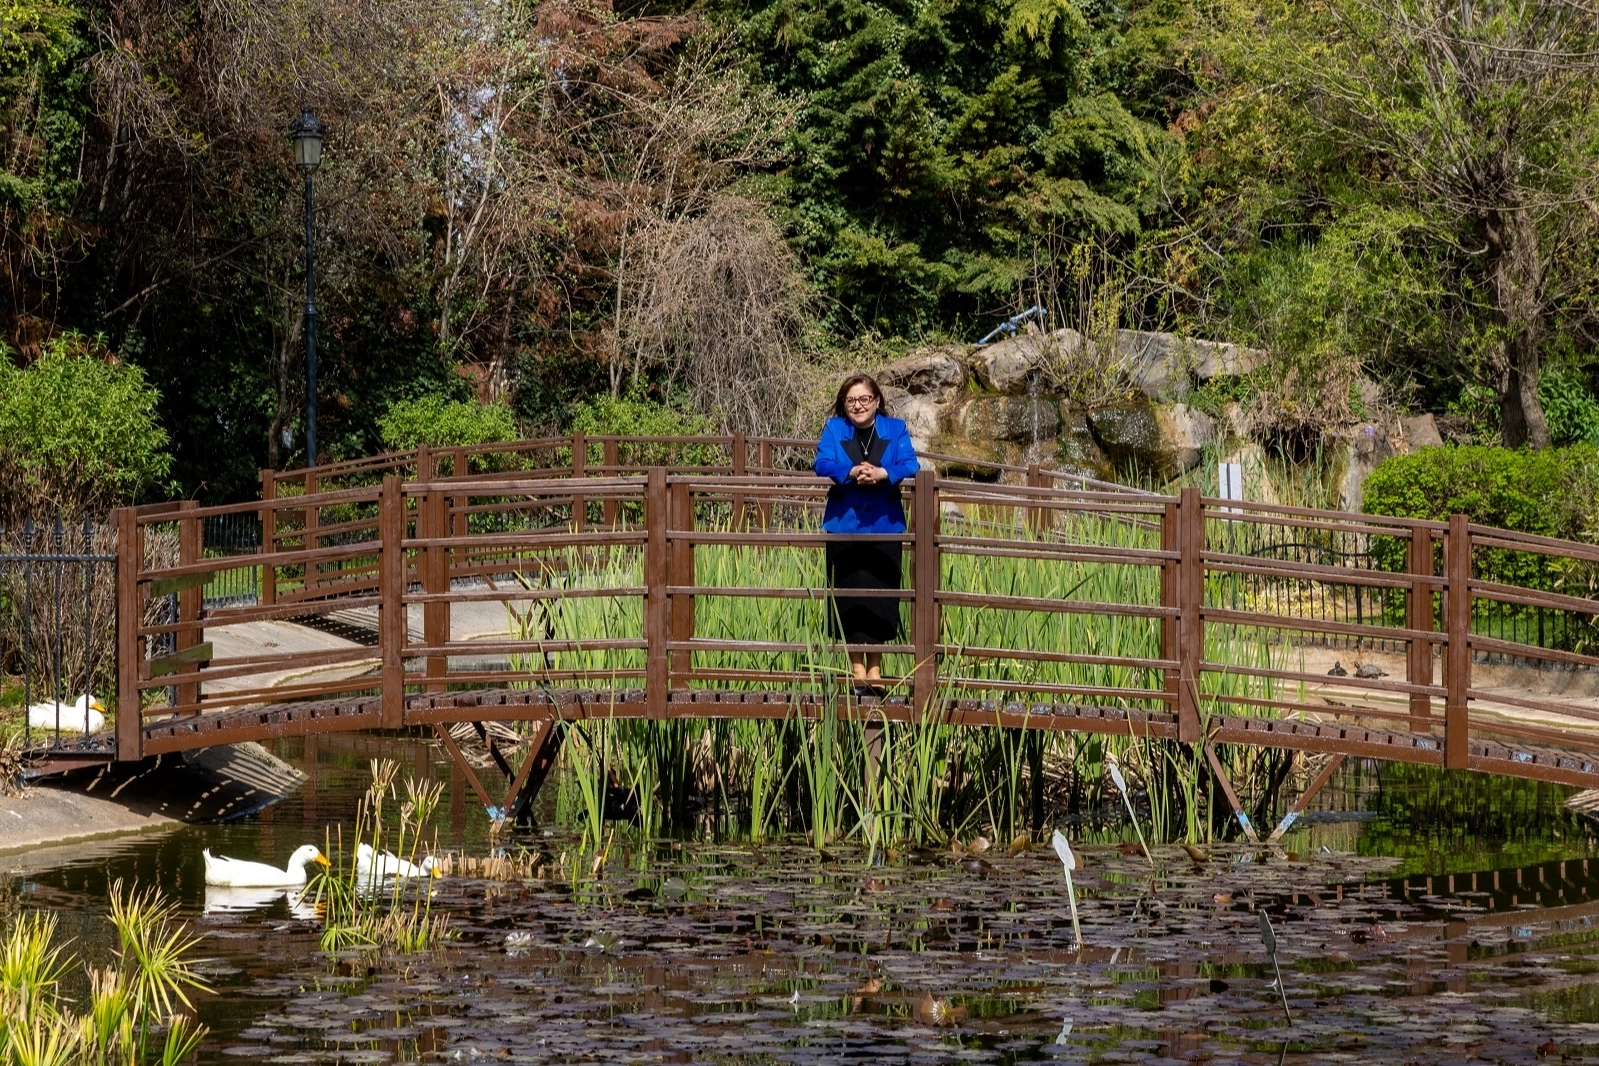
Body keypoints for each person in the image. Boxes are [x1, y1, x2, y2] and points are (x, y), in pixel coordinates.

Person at [814, 373, 921, 691]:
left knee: (881, 596)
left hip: (885, 525)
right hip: (843, 525)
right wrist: (850, 471)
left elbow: (911, 464)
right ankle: (857, 670)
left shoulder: (895, 428)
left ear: (876, 401)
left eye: (863, 399)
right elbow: (821, 463)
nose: (857, 405)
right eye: (851, 400)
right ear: (843, 404)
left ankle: (876, 671)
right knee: (848, 596)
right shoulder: (834, 428)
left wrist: (882, 473)